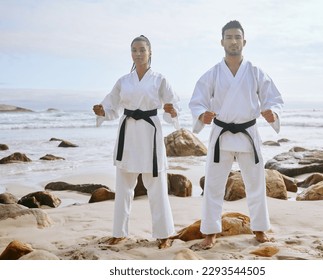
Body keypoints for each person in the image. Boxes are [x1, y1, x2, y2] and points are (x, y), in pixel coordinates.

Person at [189, 20, 284, 249]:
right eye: (229, 37)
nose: (233, 41)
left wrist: (273, 114)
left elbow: (273, 98)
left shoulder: (254, 72)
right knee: (213, 184)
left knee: (256, 183)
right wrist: (202, 115)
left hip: (247, 132)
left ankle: (260, 229)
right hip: (221, 133)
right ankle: (210, 232)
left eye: (237, 37)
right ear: (221, 42)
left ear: (244, 41)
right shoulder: (212, 74)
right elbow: (197, 101)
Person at [93, 35, 179, 249]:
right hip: (129, 133)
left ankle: (164, 234)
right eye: (134, 50)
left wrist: (172, 111)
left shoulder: (160, 79)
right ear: (131, 53)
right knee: (123, 187)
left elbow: (173, 106)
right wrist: (102, 111)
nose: (138, 53)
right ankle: (119, 232)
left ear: (150, 52)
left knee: (157, 186)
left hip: (150, 133)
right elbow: (111, 106)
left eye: (142, 49)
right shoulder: (123, 81)